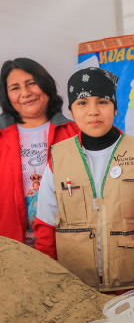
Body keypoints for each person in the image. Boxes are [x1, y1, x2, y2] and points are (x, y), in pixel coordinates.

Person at [34, 67, 134, 292]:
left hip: (130, 285)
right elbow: (45, 226)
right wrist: (48, 282)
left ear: (115, 108)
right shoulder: (57, 158)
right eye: (82, 103)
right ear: (71, 111)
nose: (93, 111)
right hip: (74, 286)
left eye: (103, 102)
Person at [0, 58, 77, 246]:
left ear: (45, 84)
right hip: (11, 246)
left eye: (31, 83)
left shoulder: (74, 132)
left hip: (66, 243)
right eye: (15, 88)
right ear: (7, 95)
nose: (25, 93)